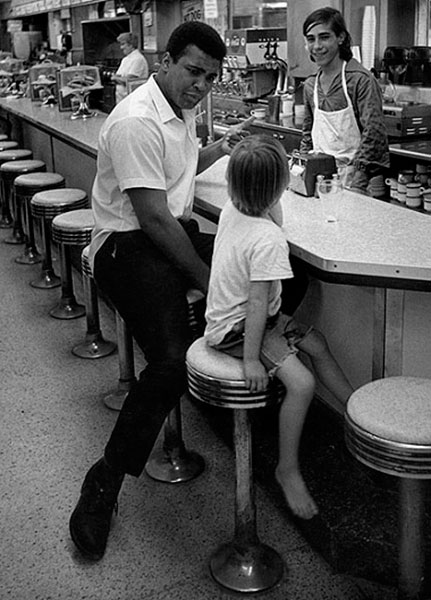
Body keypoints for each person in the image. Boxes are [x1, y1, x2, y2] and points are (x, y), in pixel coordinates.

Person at [69, 21, 253, 561]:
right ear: (166, 61)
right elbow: (151, 216)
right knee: (171, 361)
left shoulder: (182, 109)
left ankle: (208, 361)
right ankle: (104, 480)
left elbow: (176, 175)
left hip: (169, 230)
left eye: (210, 77)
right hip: (126, 246)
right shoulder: (135, 120)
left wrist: (219, 149)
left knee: (277, 276)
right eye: (194, 71)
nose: (201, 85)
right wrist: (209, 283)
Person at [204, 134, 354, 520]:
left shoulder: (233, 211)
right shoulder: (267, 239)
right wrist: (253, 360)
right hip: (239, 330)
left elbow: (260, 300)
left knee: (314, 342)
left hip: (238, 315)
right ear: (283, 185)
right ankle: (287, 468)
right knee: (302, 384)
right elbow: (256, 304)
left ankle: (355, 418)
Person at [299, 7, 389, 194]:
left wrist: (358, 179)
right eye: (311, 39)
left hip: (354, 178)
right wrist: (303, 170)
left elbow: (374, 134)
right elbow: (307, 135)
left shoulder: (359, 80)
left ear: (340, 38)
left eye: (324, 37)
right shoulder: (310, 85)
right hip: (319, 178)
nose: (316, 46)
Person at [111, 32, 149, 104]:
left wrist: (118, 79)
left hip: (132, 99)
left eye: (123, 44)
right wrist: (119, 79)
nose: (121, 48)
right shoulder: (125, 59)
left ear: (131, 45)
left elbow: (130, 81)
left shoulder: (138, 59)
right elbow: (116, 77)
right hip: (120, 98)